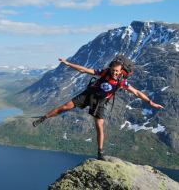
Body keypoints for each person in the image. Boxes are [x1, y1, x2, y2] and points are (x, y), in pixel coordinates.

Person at [32, 57, 164, 160]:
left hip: (100, 102)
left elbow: (136, 92)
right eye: (113, 70)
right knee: (65, 107)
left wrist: (150, 102)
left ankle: (100, 153)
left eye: (117, 71)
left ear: (121, 71)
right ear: (110, 68)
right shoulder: (104, 72)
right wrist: (68, 64)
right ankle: (43, 118)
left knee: (99, 126)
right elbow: (84, 70)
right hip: (89, 94)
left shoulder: (121, 81)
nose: (115, 72)